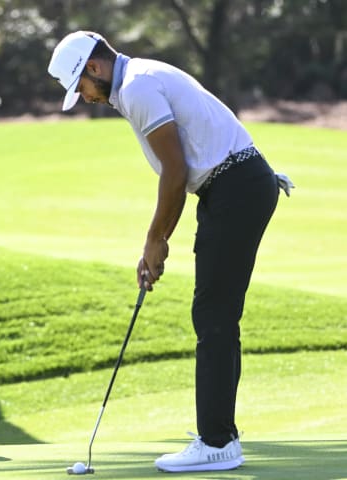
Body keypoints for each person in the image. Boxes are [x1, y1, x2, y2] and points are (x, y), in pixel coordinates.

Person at [48, 31, 292, 473]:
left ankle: (217, 442)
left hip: (235, 187)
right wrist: (159, 237)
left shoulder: (138, 86)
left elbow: (175, 172)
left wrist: (155, 240)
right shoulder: (137, 80)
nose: (83, 98)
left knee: (213, 316)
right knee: (216, 315)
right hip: (234, 186)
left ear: (95, 68)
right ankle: (221, 433)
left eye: (80, 87)